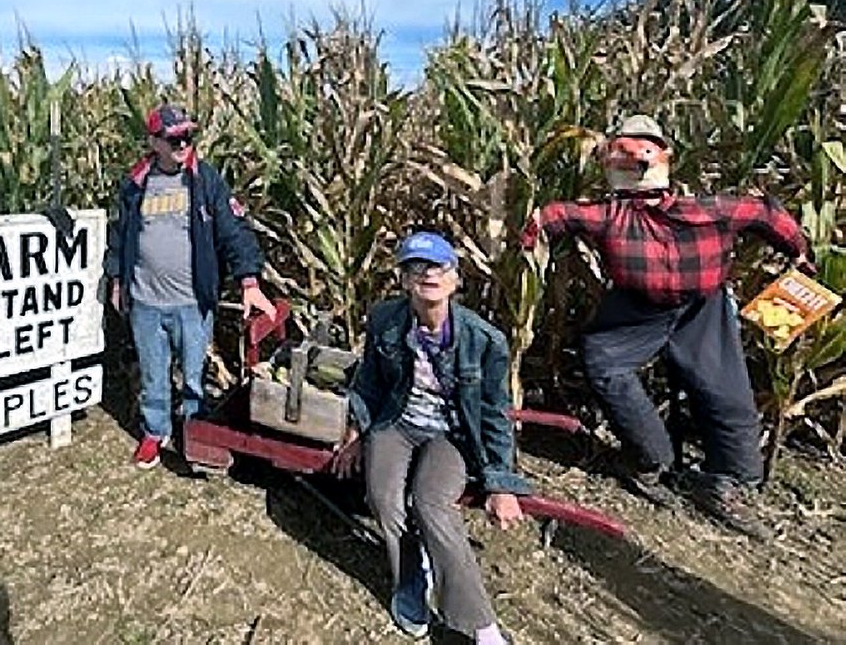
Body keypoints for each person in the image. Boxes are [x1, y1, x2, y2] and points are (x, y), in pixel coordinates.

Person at [521, 114, 814, 539]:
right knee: (603, 363)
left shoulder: (709, 210)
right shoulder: (611, 215)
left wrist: (799, 252)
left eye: (642, 150)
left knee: (726, 391)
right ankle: (650, 460)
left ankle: (728, 484)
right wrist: (528, 239)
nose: (632, 160)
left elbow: (764, 212)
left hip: (702, 307)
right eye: (621, 152)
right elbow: (555, 215)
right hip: (637, 310)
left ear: (663, 157)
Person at [333, 231, 527, 643]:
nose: (428, 275)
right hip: (398, 422)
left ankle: (480, 625)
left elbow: (494, 414)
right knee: (385, 501)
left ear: (455, 279)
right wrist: (355, 432)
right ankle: (411, 581)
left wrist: (500, 483)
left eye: (438, 267)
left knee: (431, 502)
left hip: (452, 434)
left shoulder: (484, 340)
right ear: (403, 280)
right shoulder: (386, 320)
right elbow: (369, 382)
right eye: (416, 268)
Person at [104, 104, 276, 469]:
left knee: (194, 375)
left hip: (192, 302)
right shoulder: (136, 184)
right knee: (153, 374)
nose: (184, 144)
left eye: (188, 136)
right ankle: (155, 432)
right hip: (146, 301)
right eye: (174, 138)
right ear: (154, 142)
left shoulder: (205, 180)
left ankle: (195, 434)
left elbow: (234, 230)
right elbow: (120, 236)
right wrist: (117, 278)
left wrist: (248, 280)